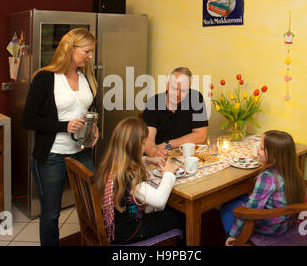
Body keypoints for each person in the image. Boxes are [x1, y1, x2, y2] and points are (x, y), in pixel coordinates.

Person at [22, 28, 99, 246]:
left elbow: (89, 110)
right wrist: (64, 126)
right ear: (70, 49)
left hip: (82, 152)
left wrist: (94, 127)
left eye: (91, 51)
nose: (90, 56)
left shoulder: (87, 77)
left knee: (92, 205)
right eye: (87, 51)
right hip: (52, 155)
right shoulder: (45, 78)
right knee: (51, 215)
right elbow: (27, 120)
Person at [96, 117, 185, 244]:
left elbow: (130, 161)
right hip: (130, 231)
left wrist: (147, 160)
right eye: (143, 143)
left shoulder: (112, 164)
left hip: (116, 226)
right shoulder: (129, 176)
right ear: (135, 146)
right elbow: (159, 201)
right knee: (180, 216)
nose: (144, 147)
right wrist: (168, 173)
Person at [220, 130, 306, 246]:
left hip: (272, 227)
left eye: (261, 148)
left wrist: (234, 235)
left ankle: (235, 240)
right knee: (242, 199)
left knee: (226, 207)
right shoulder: (294, 171)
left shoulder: (267, 178)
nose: (257, 150)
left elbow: (251, 211)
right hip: (286, 221)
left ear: (273, 155)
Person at [142, 67, 208, 158]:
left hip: (184, 156)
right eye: (174, 88)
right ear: (168, 85)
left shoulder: (195, 98)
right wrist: (155, 153)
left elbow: (201, 136)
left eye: (183, 91)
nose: (177, 94)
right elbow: (148, 139)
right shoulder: (153, 103)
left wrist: (168, 144)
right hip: (158, 157)